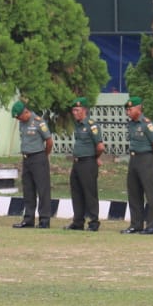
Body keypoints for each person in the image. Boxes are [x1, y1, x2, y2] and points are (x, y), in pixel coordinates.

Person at [122, 98, 153, 234]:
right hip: (133, 159)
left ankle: (152, 225)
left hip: (146, 158)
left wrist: (148, 155)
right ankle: (136, 224)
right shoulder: (131, 124)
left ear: (138, 109)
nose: (128, 112)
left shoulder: (147, 124)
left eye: (130, 109)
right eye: (127, 109)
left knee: (150, 193)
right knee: (134, 192)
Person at [12, 100, 53, 228]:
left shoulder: (38, 122)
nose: (19, 120)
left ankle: (44, 220)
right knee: (28, 189)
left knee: (42, 190)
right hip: (26, 158)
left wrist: (44, 155)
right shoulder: (22, 123)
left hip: (38, 157)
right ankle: (28, 219)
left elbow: (49, 141)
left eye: (19, 117)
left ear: (25, 112)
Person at [66, 97, 104, 231]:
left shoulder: (91, 125)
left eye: (77, 110)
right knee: (76, 192)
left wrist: (95, 158)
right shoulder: (78, 125)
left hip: (88, 162)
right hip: (77, 163)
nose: (74, 112)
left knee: (89, 193)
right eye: (73, 110)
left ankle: (93, 222)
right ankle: (78, 221)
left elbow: (100, 146)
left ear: (84, 110)